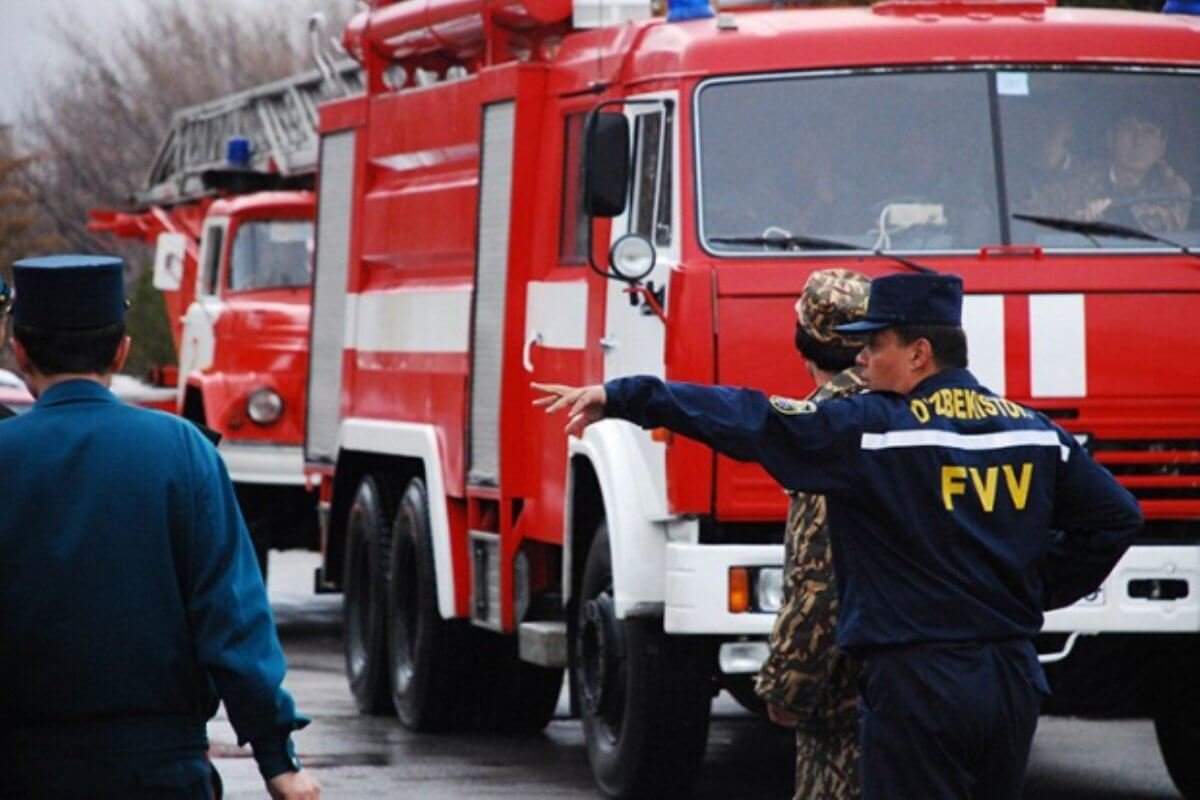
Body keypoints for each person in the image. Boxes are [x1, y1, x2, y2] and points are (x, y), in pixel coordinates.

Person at [533, 272, 1141, 800]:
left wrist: (628, 396)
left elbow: (751, 419)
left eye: (876, 344)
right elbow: (1117, 517)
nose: (863, 360)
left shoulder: (872, 433)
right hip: (1011, 679)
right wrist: (1032, 588)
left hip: (917, 685)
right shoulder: (1031, 431)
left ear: (919, 353)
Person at [0, 255, 321, 800]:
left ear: (20, 350)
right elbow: (232, 617)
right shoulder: (184, 453)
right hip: (159, 769)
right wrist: (277, 757)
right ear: (121, 350)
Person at [753, 269, 870, 800]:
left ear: (804, 342)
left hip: (846, 695)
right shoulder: (909, 409)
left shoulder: (824, 428)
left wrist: (787, 685)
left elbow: (819, 579)